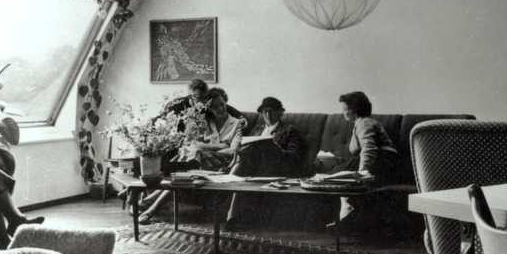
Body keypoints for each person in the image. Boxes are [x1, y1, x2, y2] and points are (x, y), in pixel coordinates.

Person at [139, 88, 243, 222]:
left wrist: (205, 149)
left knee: (194, 155)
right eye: (215, 106)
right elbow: (193, 143)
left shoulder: (236, 123)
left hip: (222, 164)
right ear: (209, 108)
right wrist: (221, 146)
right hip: (200, 163)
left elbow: (234, 151)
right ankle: (151, 207)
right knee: (187, 164)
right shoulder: (204, 122)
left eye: (222, 104)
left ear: (226, 103)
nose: (220, 109)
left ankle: (150, 204)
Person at [315, 91, 400, 225]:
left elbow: (369, 148)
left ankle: (345, 208)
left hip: (381, 160)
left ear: (354, 110)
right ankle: (346, 206)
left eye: (344, 109)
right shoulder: (364, 122)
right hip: (384, 161)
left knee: (332, 174)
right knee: (338, 169)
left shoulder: (364, 123)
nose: (342, 112)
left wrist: (363, 171)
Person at [225, 97, 306, 229]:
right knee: (243, 159)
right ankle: (231, 216)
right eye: (264, 112)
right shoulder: (257, 129)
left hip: (275, 167)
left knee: (241, 165)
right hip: (253, 165)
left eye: (271, 111)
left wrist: (276, 149)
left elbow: (294, 157)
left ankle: (231, 213)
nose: (267, 115)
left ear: (280, 112)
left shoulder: (290, 130)